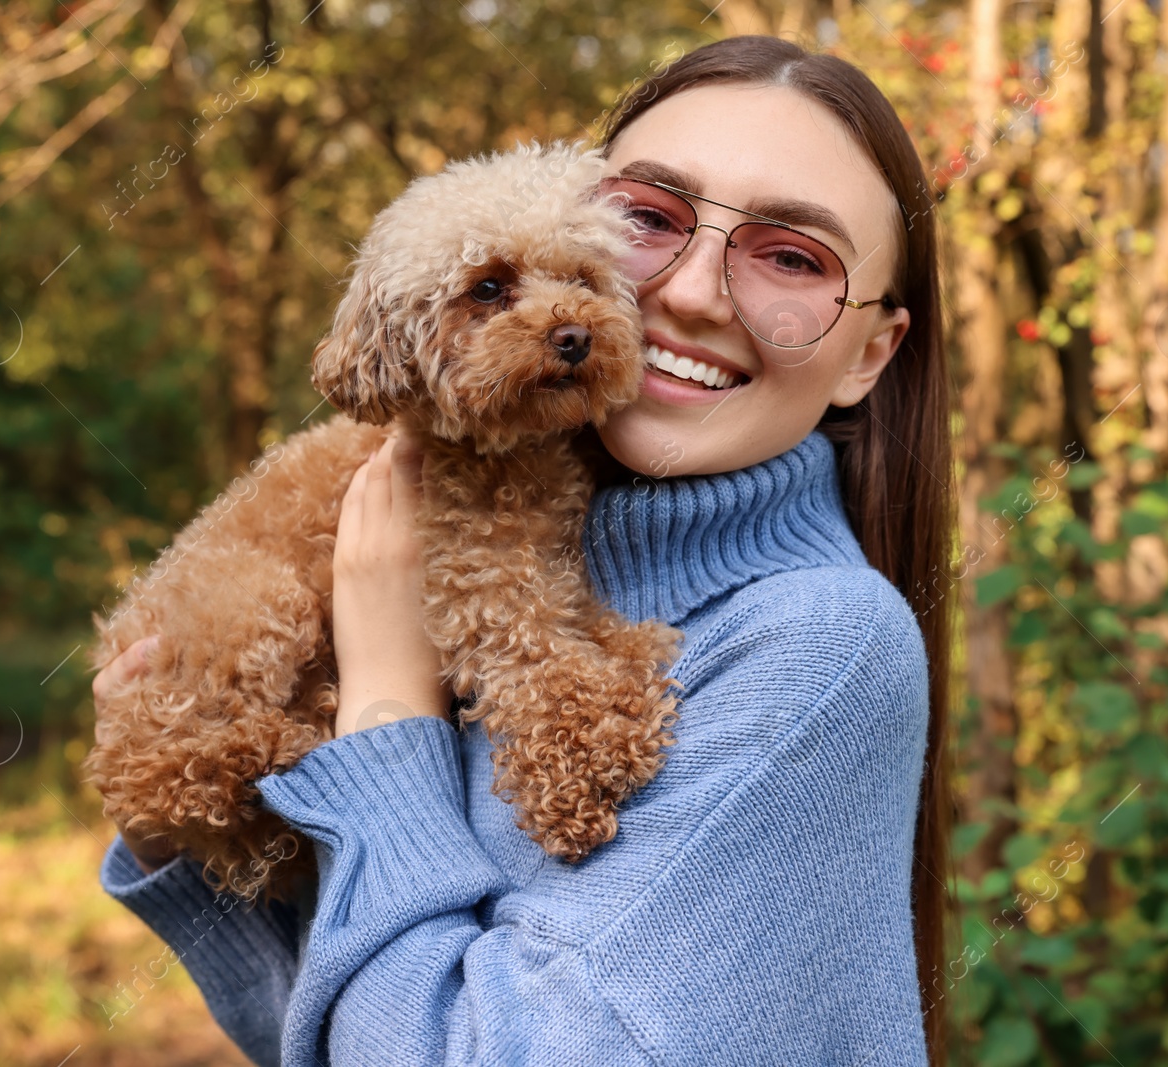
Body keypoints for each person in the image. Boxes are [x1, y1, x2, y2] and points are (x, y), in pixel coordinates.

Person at [91, 34, 954, 1067]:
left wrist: (385, 712)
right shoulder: (493, 529)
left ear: (867, 352)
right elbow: (332, 1026)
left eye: (790, 257)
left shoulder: (821, 648)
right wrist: (175, 835)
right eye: (648, 217)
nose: (688, 293)